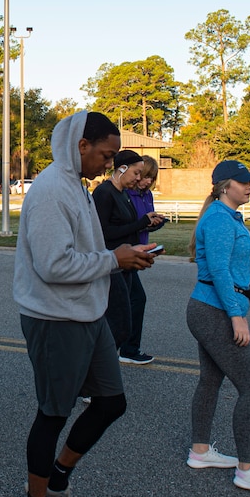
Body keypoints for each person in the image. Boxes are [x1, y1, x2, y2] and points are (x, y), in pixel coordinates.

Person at [13, 111, 157, 497]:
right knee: (53, 414)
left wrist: (124, 253)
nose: (109, 163)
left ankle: (56, 484)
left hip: (85, 313)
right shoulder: (51, 190)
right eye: (106, 154)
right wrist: (116, 260)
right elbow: (53, 265)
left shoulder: (76, 185)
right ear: (81, 145)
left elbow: (89, 251)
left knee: (112, 402)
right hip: (55, 318)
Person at [186, 159, 250, 497]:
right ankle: (247, 469)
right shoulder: (218, 219)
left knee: (211, 380)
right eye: (243, 182)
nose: (249, 186)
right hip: (214, 311)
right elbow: (217, 270)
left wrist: (246, 289)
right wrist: (236, 314)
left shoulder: (226, 216)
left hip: (212, 308)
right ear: (223, 186)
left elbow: (229, 264)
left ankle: (200, 452)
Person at [92, 149, 165, 363]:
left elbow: (127, 226)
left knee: (128, 311)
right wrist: (142, 222)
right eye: (136, 173)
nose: (139, 179)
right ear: (122, 169)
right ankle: (99, 370)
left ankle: (120, 356)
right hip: (111, 262)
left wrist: (147, 228)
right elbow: (103, 233)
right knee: (117, 319)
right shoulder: (104, 193)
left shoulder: (123, 193)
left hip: (126, 263)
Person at [124, 155, 166, 360]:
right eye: (146, 176)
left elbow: (146, 219)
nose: (148, 181)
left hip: (141, 249)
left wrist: (157, 222)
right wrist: (143, 222)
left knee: (131, 300)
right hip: (126, 253)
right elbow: (130, 223)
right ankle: (128, 350)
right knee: (135, 299)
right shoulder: (125, 194)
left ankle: (127, 349)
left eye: (153, 177)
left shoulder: (146, 195)